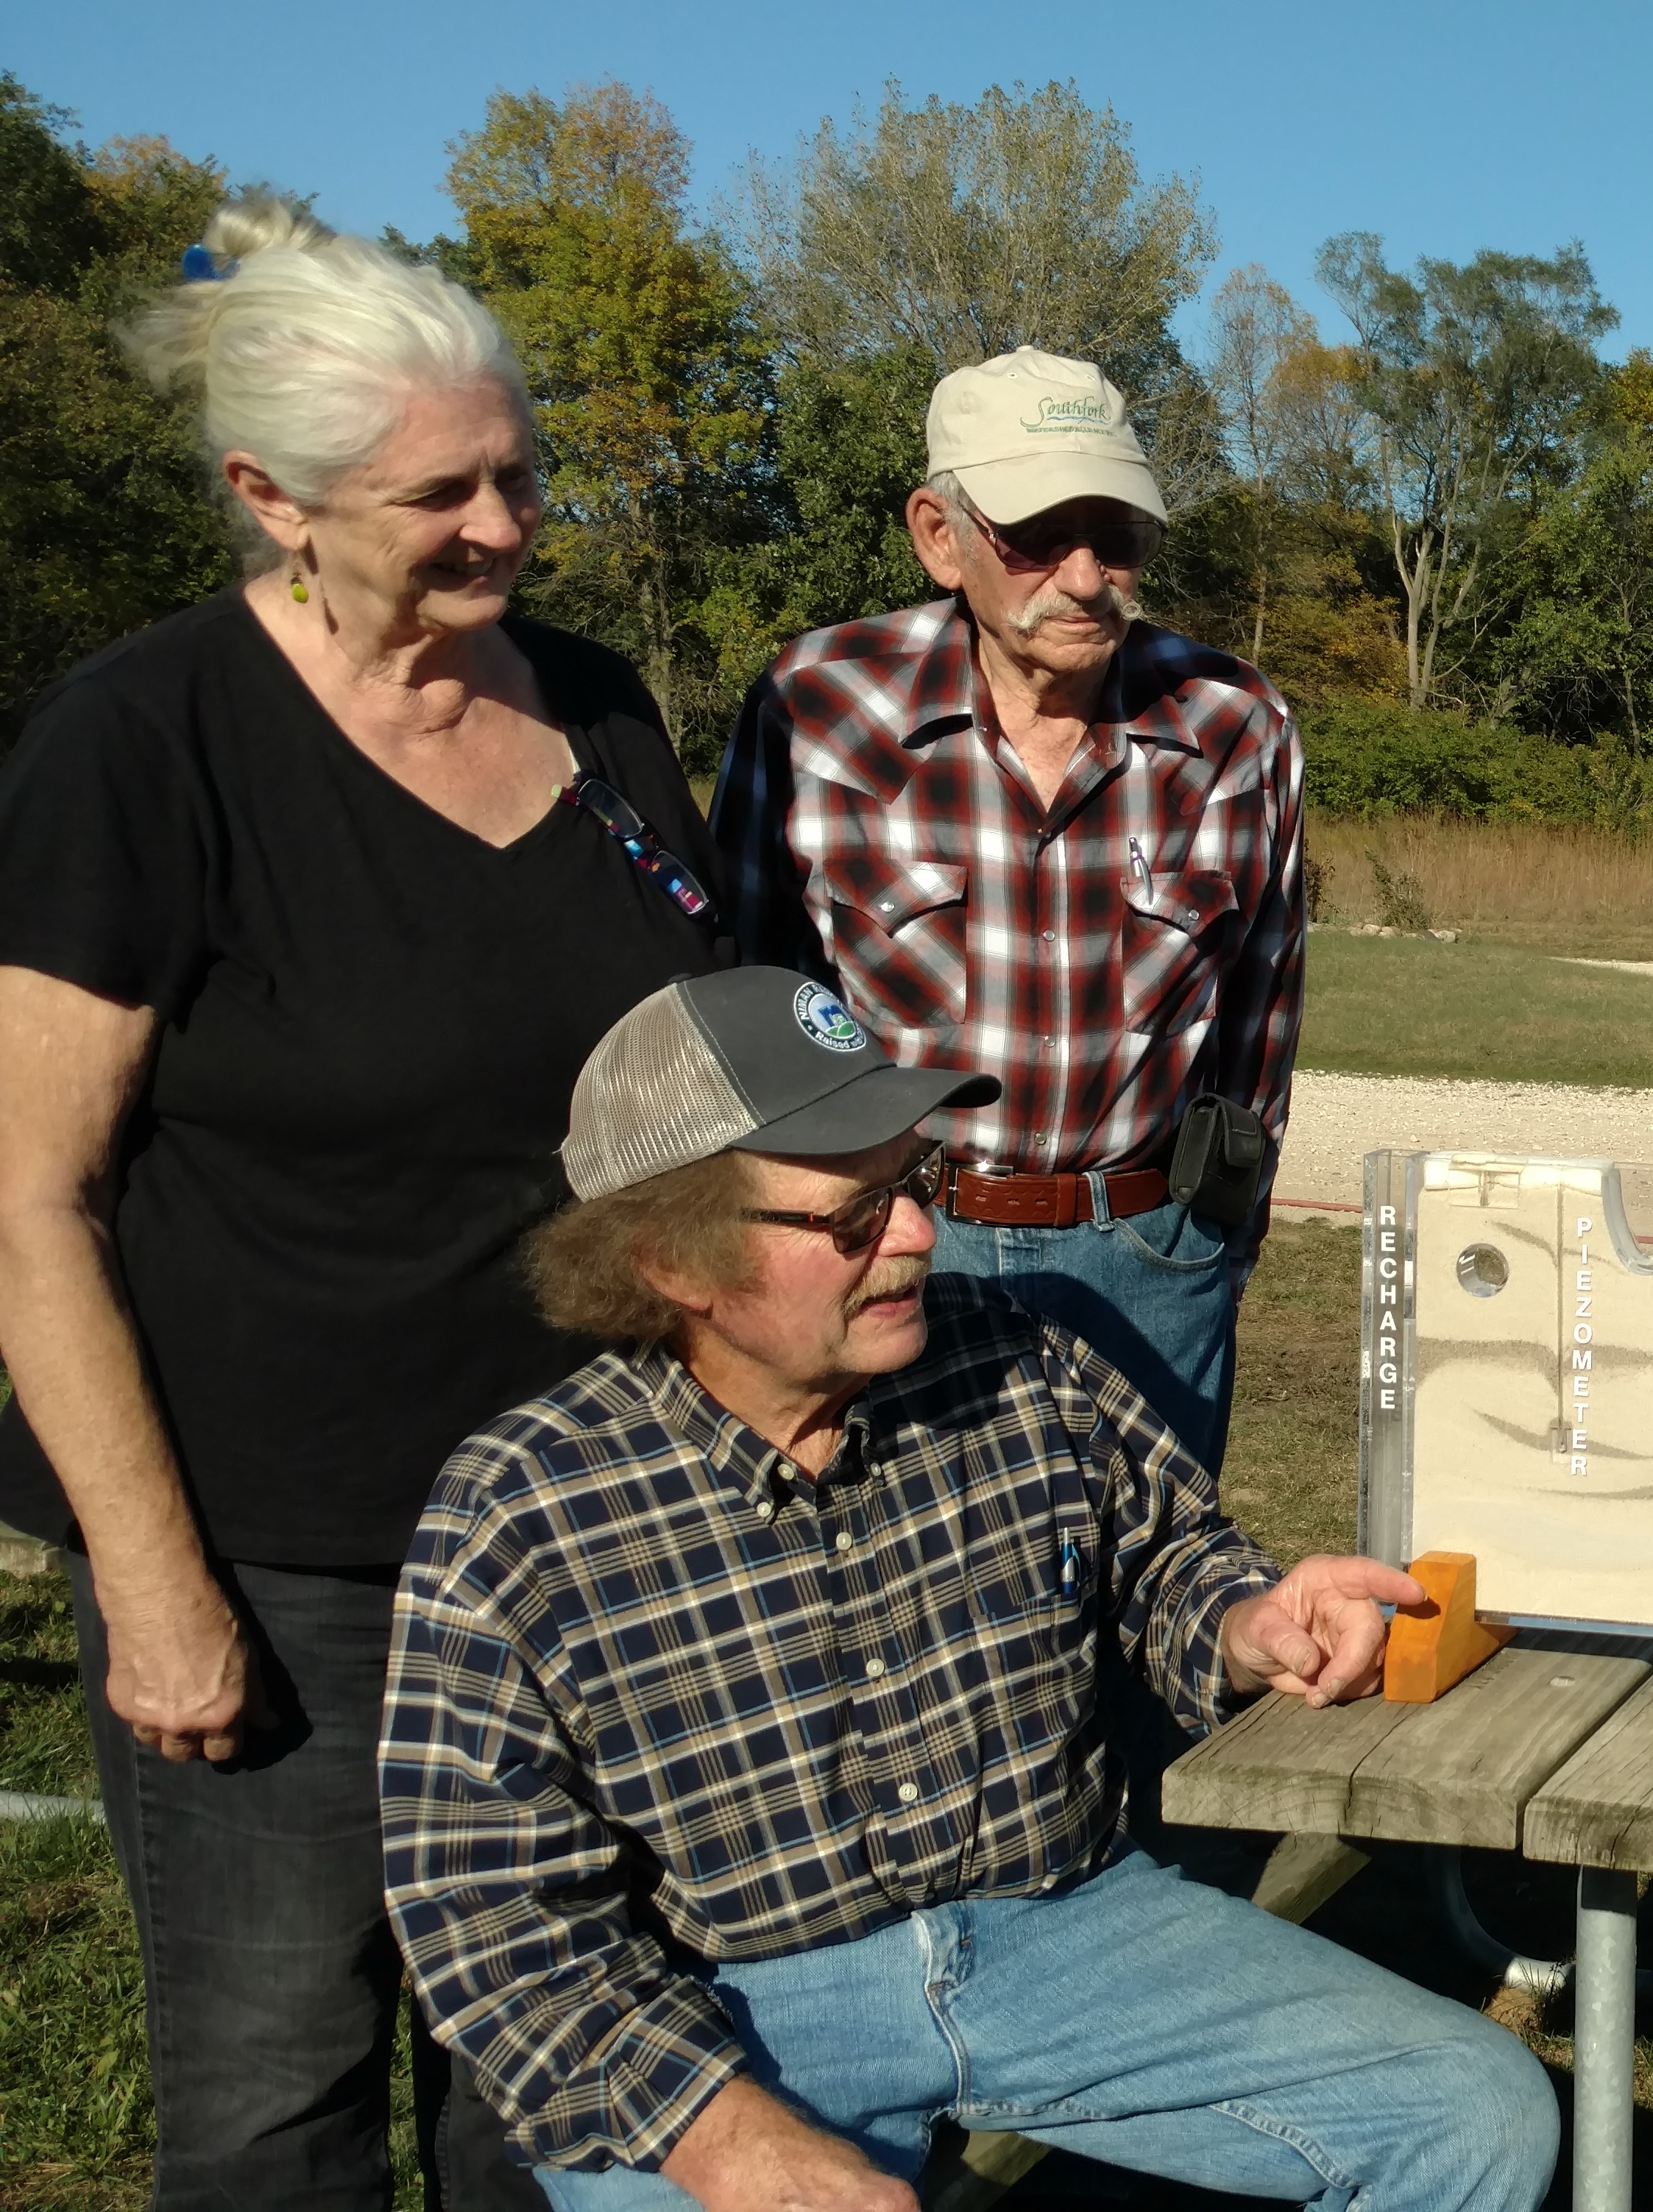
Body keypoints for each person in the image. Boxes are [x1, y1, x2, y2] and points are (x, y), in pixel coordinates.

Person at [0, 192, 732, 2210]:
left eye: (519, 474)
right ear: (273, 498)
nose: (504, 528)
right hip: (283, 1557)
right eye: (441, 495)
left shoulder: (593, 711)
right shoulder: (139, 744)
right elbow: (27, 1201)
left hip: (587, 1538)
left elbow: (689, 1085)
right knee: (275, 2098)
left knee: (562, 2077)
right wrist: (159, 1587)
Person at [379, 967, 1556, 2211]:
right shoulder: (523, 1511)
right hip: (735, 2009)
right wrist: (726, 2141)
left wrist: (1244, 1618)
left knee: (1474, 2113)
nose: (917, 1236)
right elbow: (485, 1917)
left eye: (915, 1182)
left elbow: (1157, 1554)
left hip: (1065, 1928)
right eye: (853, 1217)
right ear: (673, 1259)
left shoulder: (1010, 1351)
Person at [712, 346, 1303, 1470]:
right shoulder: (816, 707)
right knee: (906, 1622)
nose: (1085, 577)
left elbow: (1260, 1024)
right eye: (1037, 535)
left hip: (1150, 1254)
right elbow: (750, 1009)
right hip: (891, 1253)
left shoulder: (1235, 722)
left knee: (1156, 1617)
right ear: (940, 534)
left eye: (1117, 535)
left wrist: (1211, 1236)